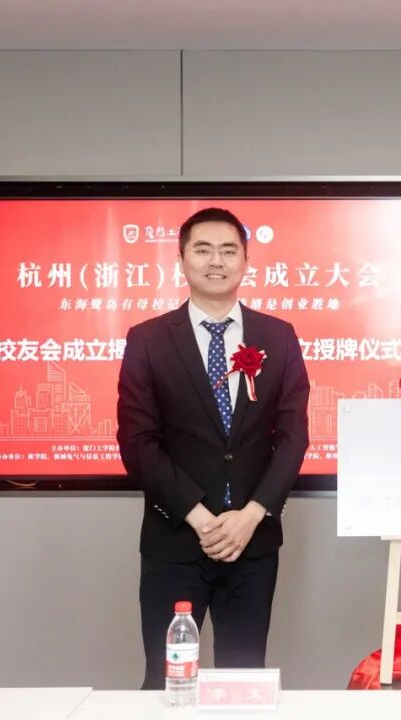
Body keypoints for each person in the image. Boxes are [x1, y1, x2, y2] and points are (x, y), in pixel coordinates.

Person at [117, 207, 309, 690]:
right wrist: (200, 517)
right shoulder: (148, 340)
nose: (215, 261)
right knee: (165, 680)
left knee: (243, 683)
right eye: (202, 250)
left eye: (228, 250)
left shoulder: (278, 336)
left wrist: (252, 514)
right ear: (182, 260)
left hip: (252, 542)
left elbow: (293, 437)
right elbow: (137, 442)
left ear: (246, 261)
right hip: (175, 541)